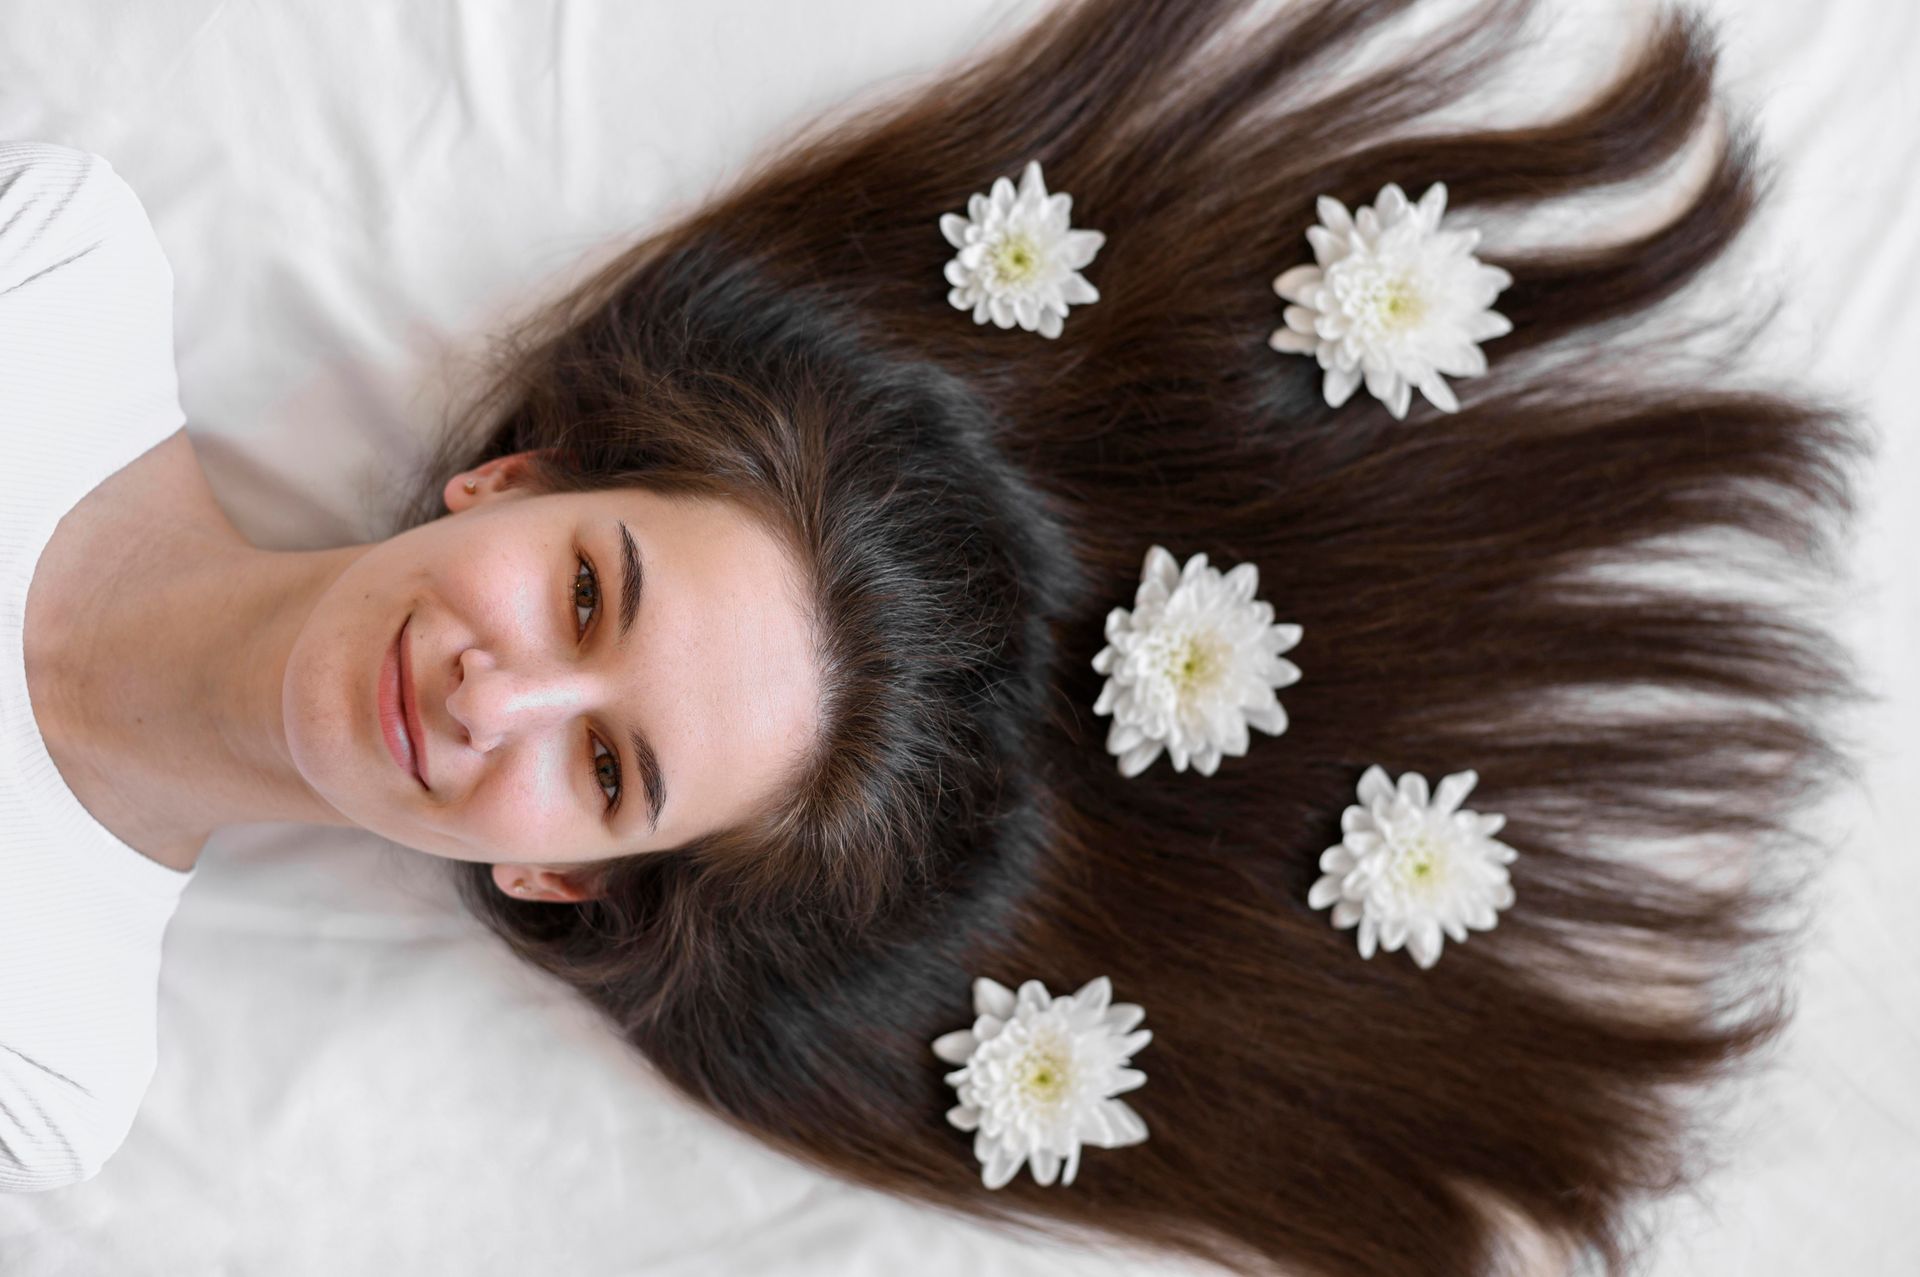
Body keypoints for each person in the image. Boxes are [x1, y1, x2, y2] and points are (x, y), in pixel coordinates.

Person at [0, 0, 1873, 1274]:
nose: (504, 691)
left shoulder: (50, 1068)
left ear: (556, 874)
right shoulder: (53, 271)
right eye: (589, 593)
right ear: (516, 478)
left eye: (608, 762)